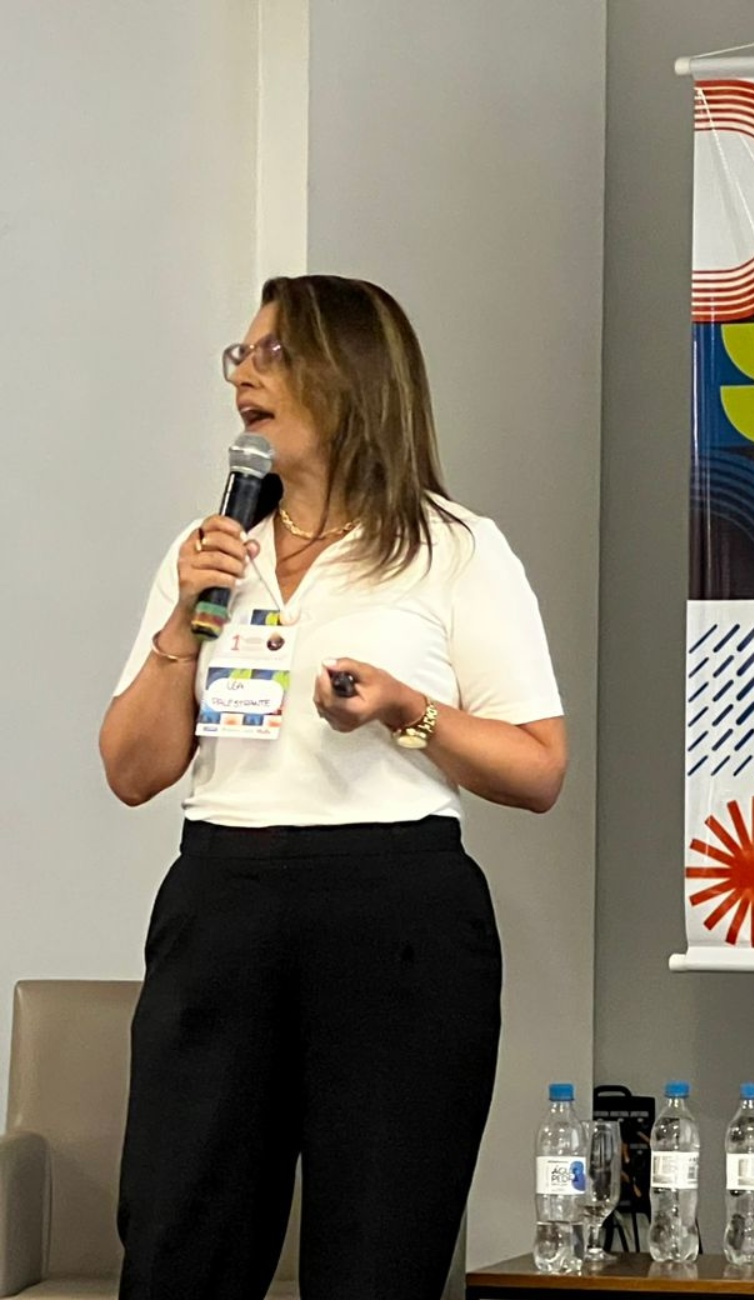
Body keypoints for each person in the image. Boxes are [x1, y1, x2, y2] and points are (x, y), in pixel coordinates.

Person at [98, 275, 566, 1300]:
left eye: (272, 355)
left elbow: (539, 767)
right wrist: (182, 624)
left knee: (376, 1252)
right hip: (220, 901)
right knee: (177, 1239)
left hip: (394, 912)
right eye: (240, 356)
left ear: (352, 375)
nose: (244, 378)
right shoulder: (210, 553)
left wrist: (408, 709)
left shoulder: (453, 548)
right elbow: (131, 769)